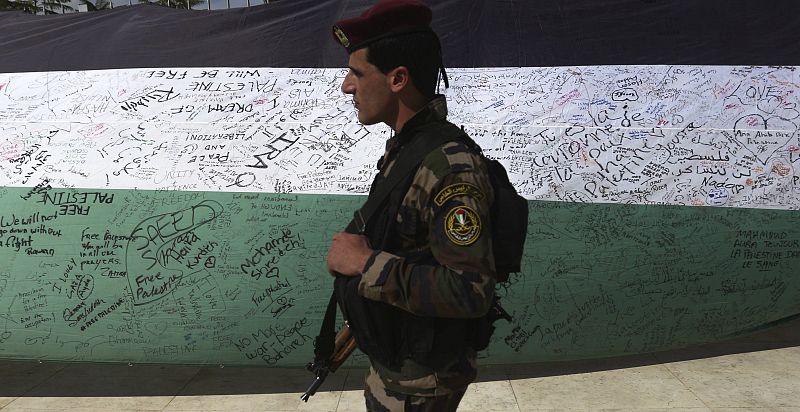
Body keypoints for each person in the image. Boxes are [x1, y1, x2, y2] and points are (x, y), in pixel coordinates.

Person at [326, 1, 497, 410]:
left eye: (358, 73)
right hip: (398, 369)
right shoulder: (406, 151)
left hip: (423, 385)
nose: (347, 86)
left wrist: (366, 264)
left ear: (398, 78)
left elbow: (472, 291)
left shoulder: (449, 168)